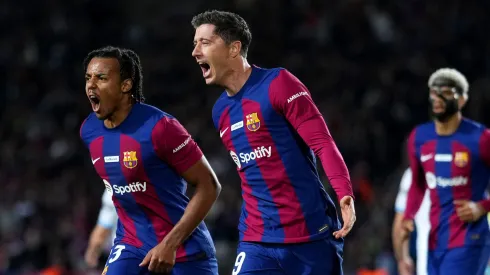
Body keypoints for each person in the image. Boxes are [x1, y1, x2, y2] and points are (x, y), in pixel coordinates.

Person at [191, 10, 355, 275]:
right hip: (257, 240)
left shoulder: (278, 84)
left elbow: (322, 143)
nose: (195, 52)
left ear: (234, 48)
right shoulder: (219, 111)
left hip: (311, 236)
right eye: (194, 43)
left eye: (204, 43)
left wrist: (344, 192)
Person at [80, 46, 221, 275]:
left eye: (101, 78)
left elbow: (210, 186)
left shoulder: (160, 127)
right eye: (88, 78)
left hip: (184, 252)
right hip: (131, 247)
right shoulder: (89, 131)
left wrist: (169, 244)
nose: (91, 85)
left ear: (125, 85)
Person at [398, 68, 490, 275]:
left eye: (446, 93)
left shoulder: (480, 138)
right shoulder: (419, 137)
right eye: (434, 92)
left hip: (470, 238)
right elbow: (418, 184)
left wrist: (482, 206)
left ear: (462, 100)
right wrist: (409, 215)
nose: (438, 98)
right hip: (436, 240)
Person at [392, 167, 430, 275]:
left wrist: (403, 260)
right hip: (466, 254)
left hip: (427, 259)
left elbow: (400, 223)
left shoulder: (414, 173)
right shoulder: (470, 161)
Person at [84, 188, 118, 268]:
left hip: (128, 254)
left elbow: (103, 227)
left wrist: (92, 251)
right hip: (151, 249)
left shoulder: (115, 187)